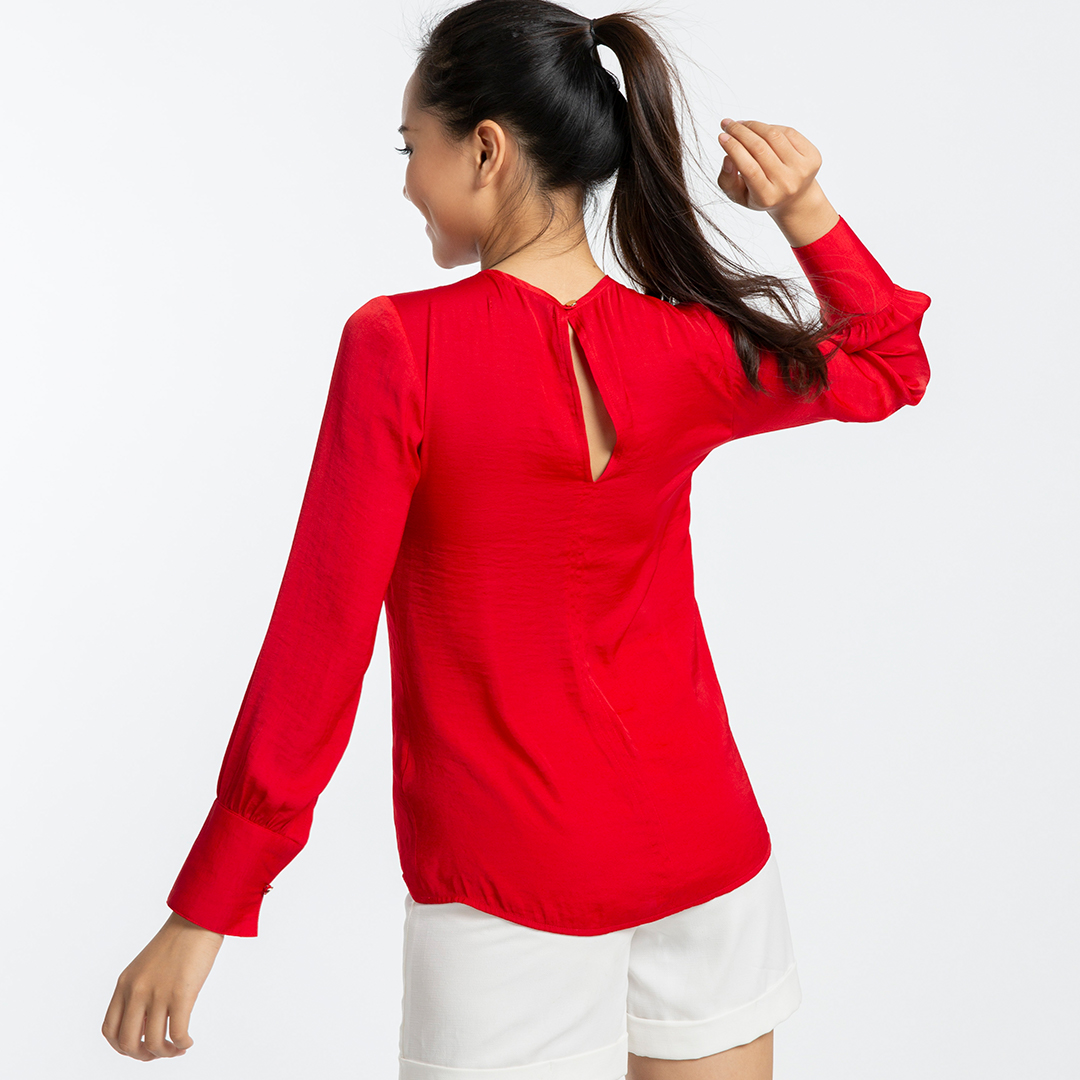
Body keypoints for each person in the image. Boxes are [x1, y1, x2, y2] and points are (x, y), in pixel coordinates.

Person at [102, 2, 932, 1077]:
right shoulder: (686, 347)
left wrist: (208, 905)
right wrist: (803, 207)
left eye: (413, 147)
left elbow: (322, 643)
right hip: (708, 858)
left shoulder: (401, 348)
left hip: (509, 888)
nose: (408, 181)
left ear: (485, 148)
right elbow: (888, 366)